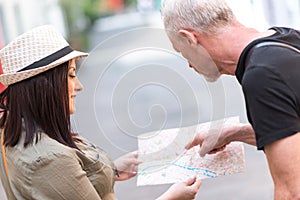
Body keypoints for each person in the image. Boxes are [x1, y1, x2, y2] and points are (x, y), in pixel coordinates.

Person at [0, 25, 201, 200]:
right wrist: (172, 197)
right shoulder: (49, 158)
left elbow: (60, 187)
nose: (79, 86)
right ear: (44, 87)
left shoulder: (13, 131)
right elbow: (55, 173)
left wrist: (111, 169)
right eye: (71, 76)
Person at [161, 0, 300, 199]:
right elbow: (292, 133)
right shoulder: (286, 38)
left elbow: (292, 192)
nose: (190, 66)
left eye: (183, 53)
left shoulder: (262, 75)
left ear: (189, 37)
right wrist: (234, 133)